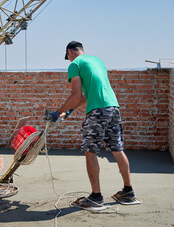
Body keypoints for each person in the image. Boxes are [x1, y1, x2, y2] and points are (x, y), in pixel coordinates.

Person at [49, 41, 141, 210]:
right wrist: (68, 112)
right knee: (117, 149)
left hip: (98, 111)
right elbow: (88, 97)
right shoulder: (97, 61)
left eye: (68, 58)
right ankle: (128, 193)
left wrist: (57, 112)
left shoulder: (75, 64)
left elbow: (76, 96)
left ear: (70, 52)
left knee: (90, 151)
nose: (69, 61)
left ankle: (96, 197)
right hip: (113, 108)